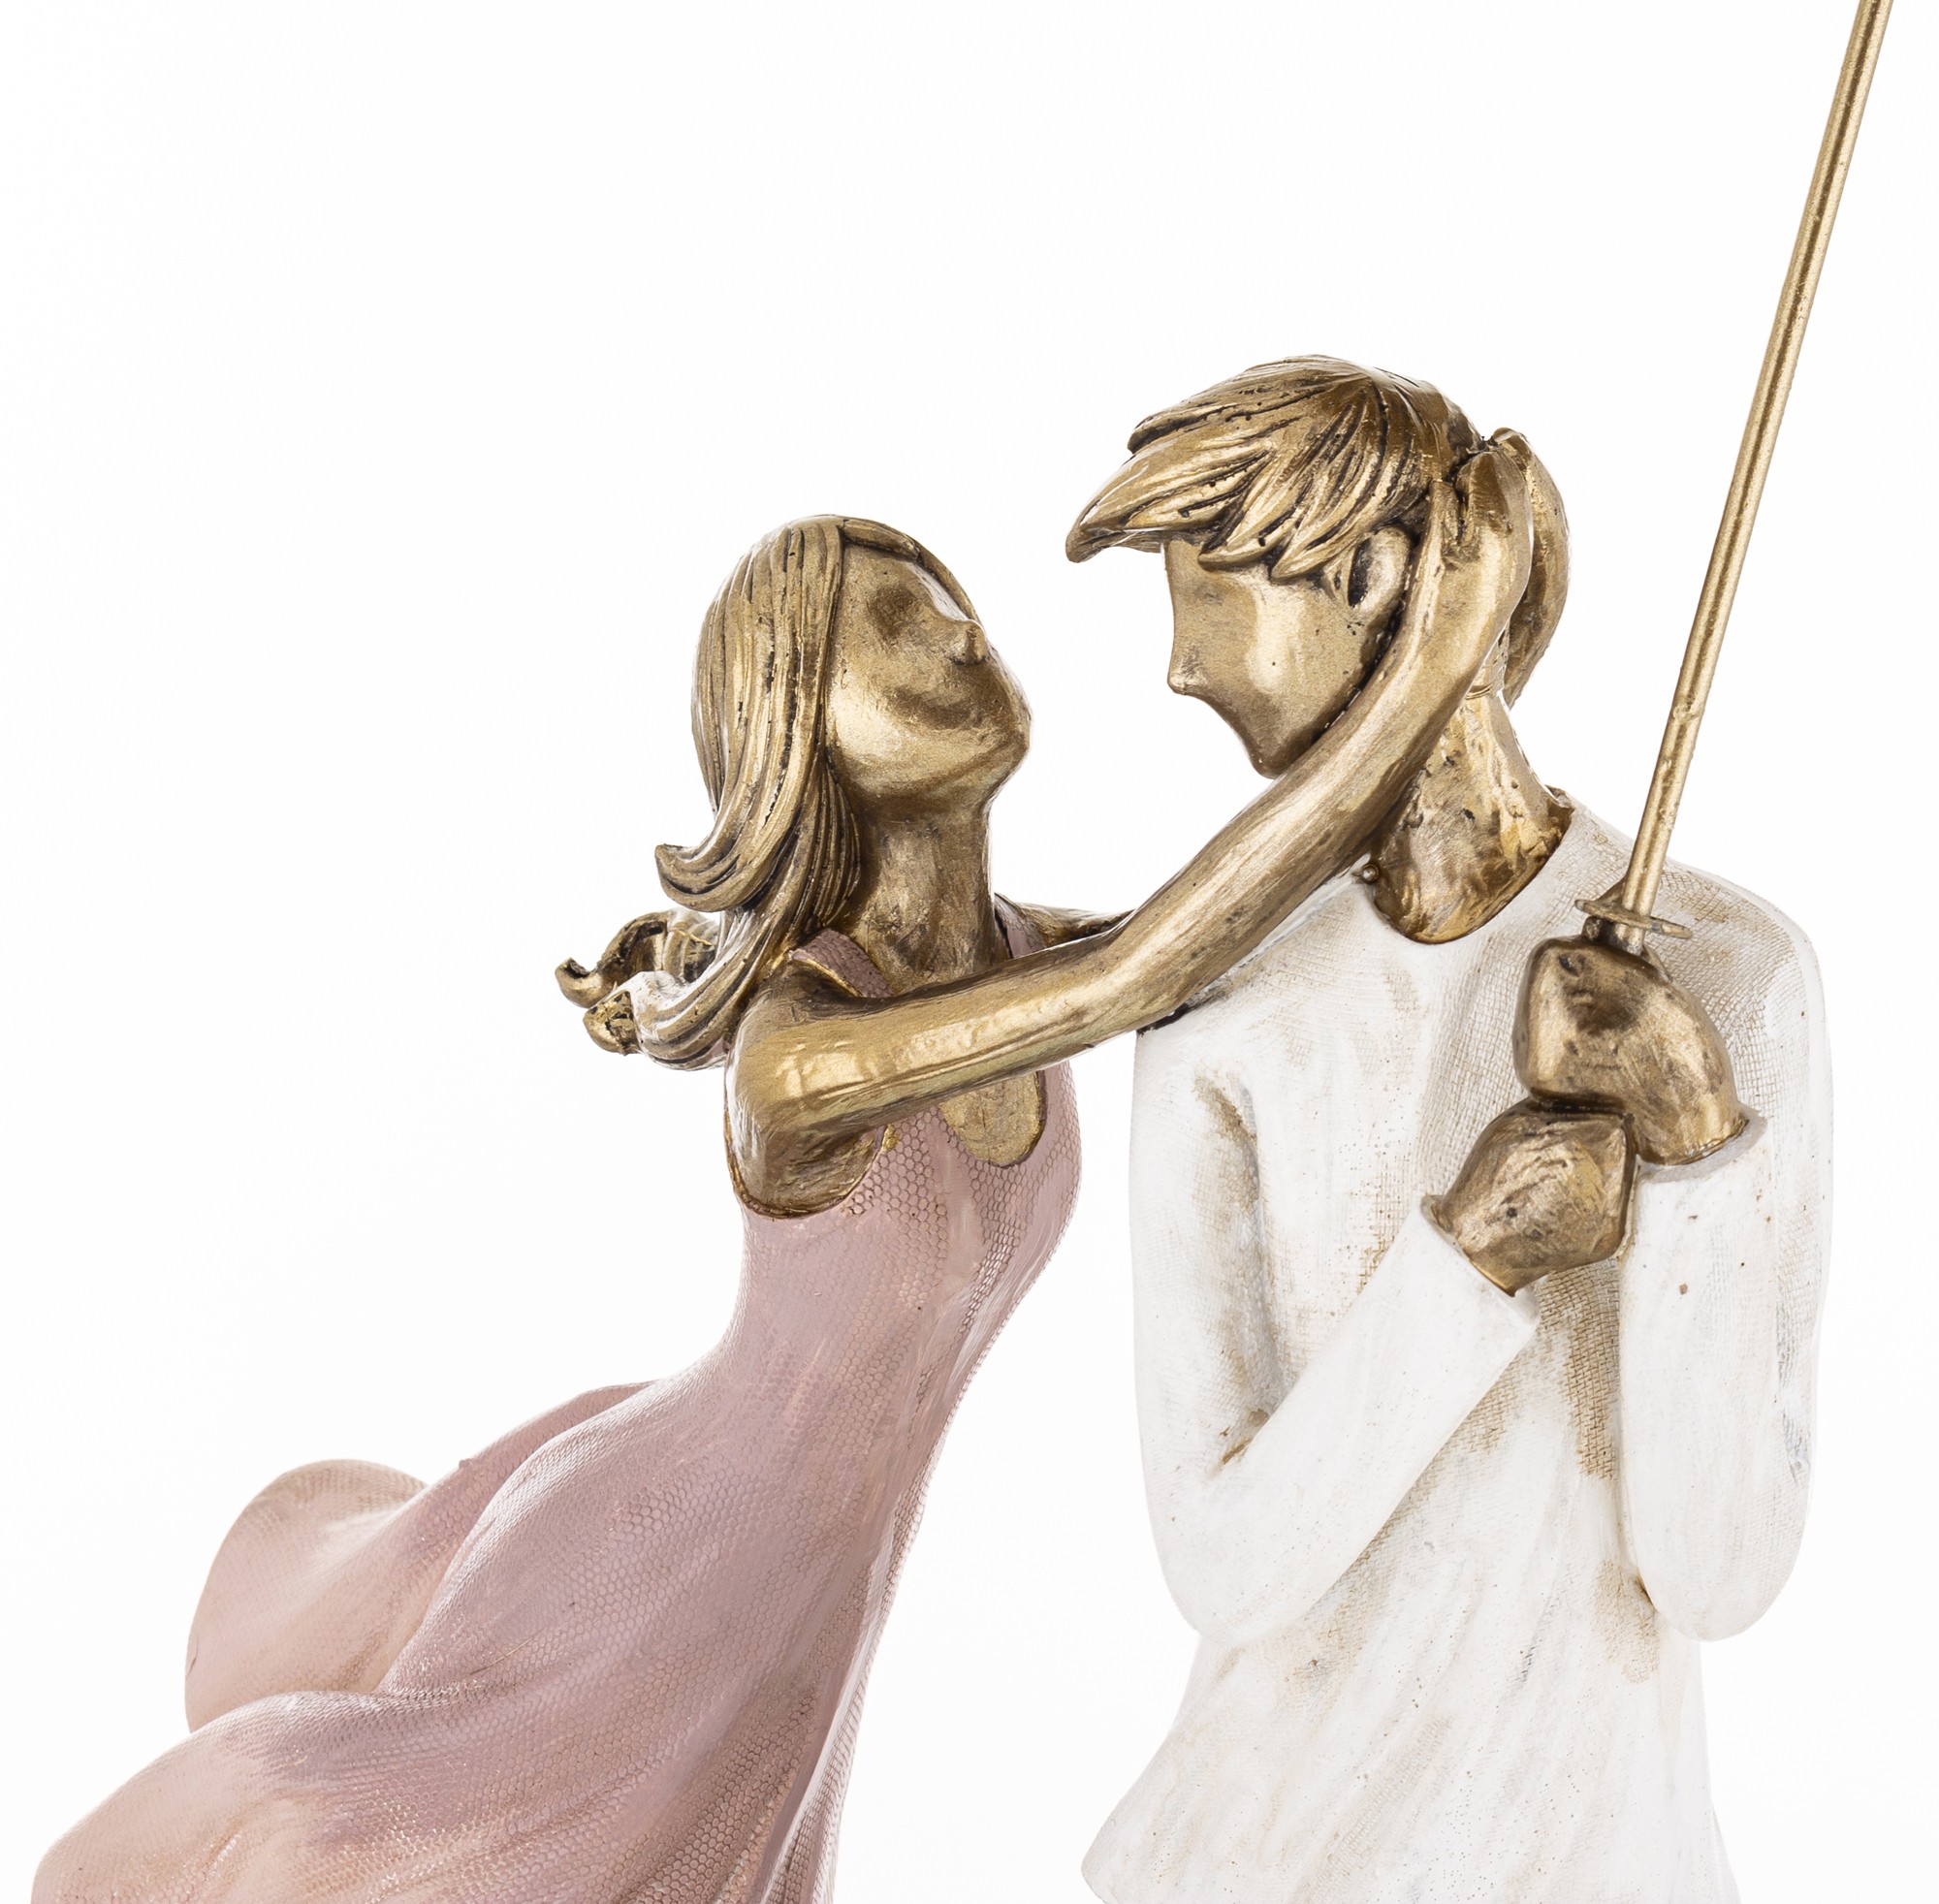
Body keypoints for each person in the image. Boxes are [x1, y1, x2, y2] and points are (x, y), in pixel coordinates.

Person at [38, 494, 1532, 1903]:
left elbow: (1223, 935)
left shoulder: (1008, 960)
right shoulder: (802, 1053)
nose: (955, 631)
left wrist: (1444, 717)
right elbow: (1144, 973)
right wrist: (1432, 666)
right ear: (793, 720)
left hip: (801, 1590)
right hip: (660, 1573)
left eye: (947, 600)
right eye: (890, 621)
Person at [1066, 358, 1830, 1904]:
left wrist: (1695, 1139)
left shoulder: (1734, 976)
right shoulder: (1224, 1016)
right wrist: (1471, 1258)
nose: (1178, 667)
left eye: (1205, 590)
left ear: (1372, 579)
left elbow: (1720, 1572)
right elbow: (1223, 1564)